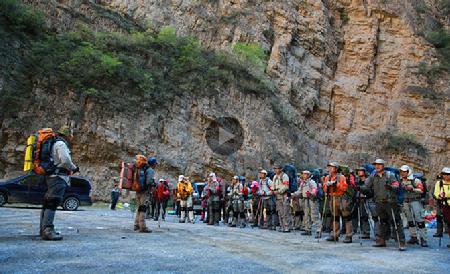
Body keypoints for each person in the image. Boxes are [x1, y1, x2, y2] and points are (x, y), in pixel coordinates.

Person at [39, 126, 79, 241]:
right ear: (66, 135)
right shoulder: (61, 144)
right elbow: (65, 160)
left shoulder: (52, 143)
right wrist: (74, 168)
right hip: (58, 177)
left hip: (51, 176)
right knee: (53, 202)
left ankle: (43, 229)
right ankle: (48, 230)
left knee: (47, 202)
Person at [361, 159, 406, 251]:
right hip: (378, 202)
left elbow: (396, 185)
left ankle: (401, 242)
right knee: (382, 222)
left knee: (396, 221)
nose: (377, 166)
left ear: (383, 166)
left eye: (379, 165)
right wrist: (360, 188)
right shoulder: (372, 176)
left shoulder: (390, 175)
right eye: (375, 165)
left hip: (391, 202)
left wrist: (391, 187)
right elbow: (366, 186)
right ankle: (382, 240)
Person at [323, 162, 352, 243]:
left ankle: (349, 235)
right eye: (329, 167)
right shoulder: (327, 178)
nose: (329, 169)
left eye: (331, 167)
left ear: (336, 169)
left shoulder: (341, 177)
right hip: (332, 198)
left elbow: (344, 188)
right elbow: (324, 189)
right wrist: (327, 186)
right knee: (335, 217)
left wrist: (337, 184)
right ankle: (335, 234)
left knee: (346, 217)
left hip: (341, 198)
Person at [399, 165, 428, 247]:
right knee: (410, 220)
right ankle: (413, 237)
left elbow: (421, 190)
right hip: (405, 202)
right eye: (401, 171)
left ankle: (423, 238)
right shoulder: (400, 180)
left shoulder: (415, 180)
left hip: (415, 201)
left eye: (404, 171)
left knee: (419, 220)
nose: (403, 173)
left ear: (408, 172)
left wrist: (412, 189)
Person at [293, 171, 322, 238]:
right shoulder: (302, 183)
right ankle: (307, 229)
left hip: (312, 200)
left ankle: (318, 230)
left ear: (308, 175)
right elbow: (299, 191)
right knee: (306, 215)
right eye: (303, 174)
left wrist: (311, 193)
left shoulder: (312, 182)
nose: (303, 175)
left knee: (314, 215)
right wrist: (293, 194)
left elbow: (315, 190)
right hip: (305, 199)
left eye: (305, 174)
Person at [134, 156, 157, 233]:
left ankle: (136, 225)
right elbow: (148, 182)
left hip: (138, 190)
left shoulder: (141, 169)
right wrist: (154, 184)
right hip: (144, 192)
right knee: (143, 208)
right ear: (153, 164)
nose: (156, 165)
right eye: (155, 164)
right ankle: (142, 227)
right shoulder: (150, 170)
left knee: (139, 208)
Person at [433, 167, 450, 248]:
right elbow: (436, 194)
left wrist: (445, 195)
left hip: (446, 202)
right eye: (445, 174)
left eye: (448, 174)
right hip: (445, 205)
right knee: (448, 223)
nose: (447, 176)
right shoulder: (439, 183)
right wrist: (439, 196)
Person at [272, 164, 291, 233]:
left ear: (280, 169)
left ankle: (287, 227)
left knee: (286, 212)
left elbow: (286, 186)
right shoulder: (275, 177)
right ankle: (282, 226)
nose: (275, 170)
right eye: (275, 169)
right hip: (277, 196)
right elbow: (273, 185)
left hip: (284, 195)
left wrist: (279, 191)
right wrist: (273, 190)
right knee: (280, 212)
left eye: (277, 168)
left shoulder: (284, 176)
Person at [354, 167, 370, 239]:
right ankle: (362, 230)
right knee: (359, 215)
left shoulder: (368, 180)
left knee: (365, 215)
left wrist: (365, 195)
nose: (359, 172)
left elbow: (369, 189)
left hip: (366, 199)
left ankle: (366, 232)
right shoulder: (357, 180)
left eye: (361, 171)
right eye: (358, 171)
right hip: (358, 198)